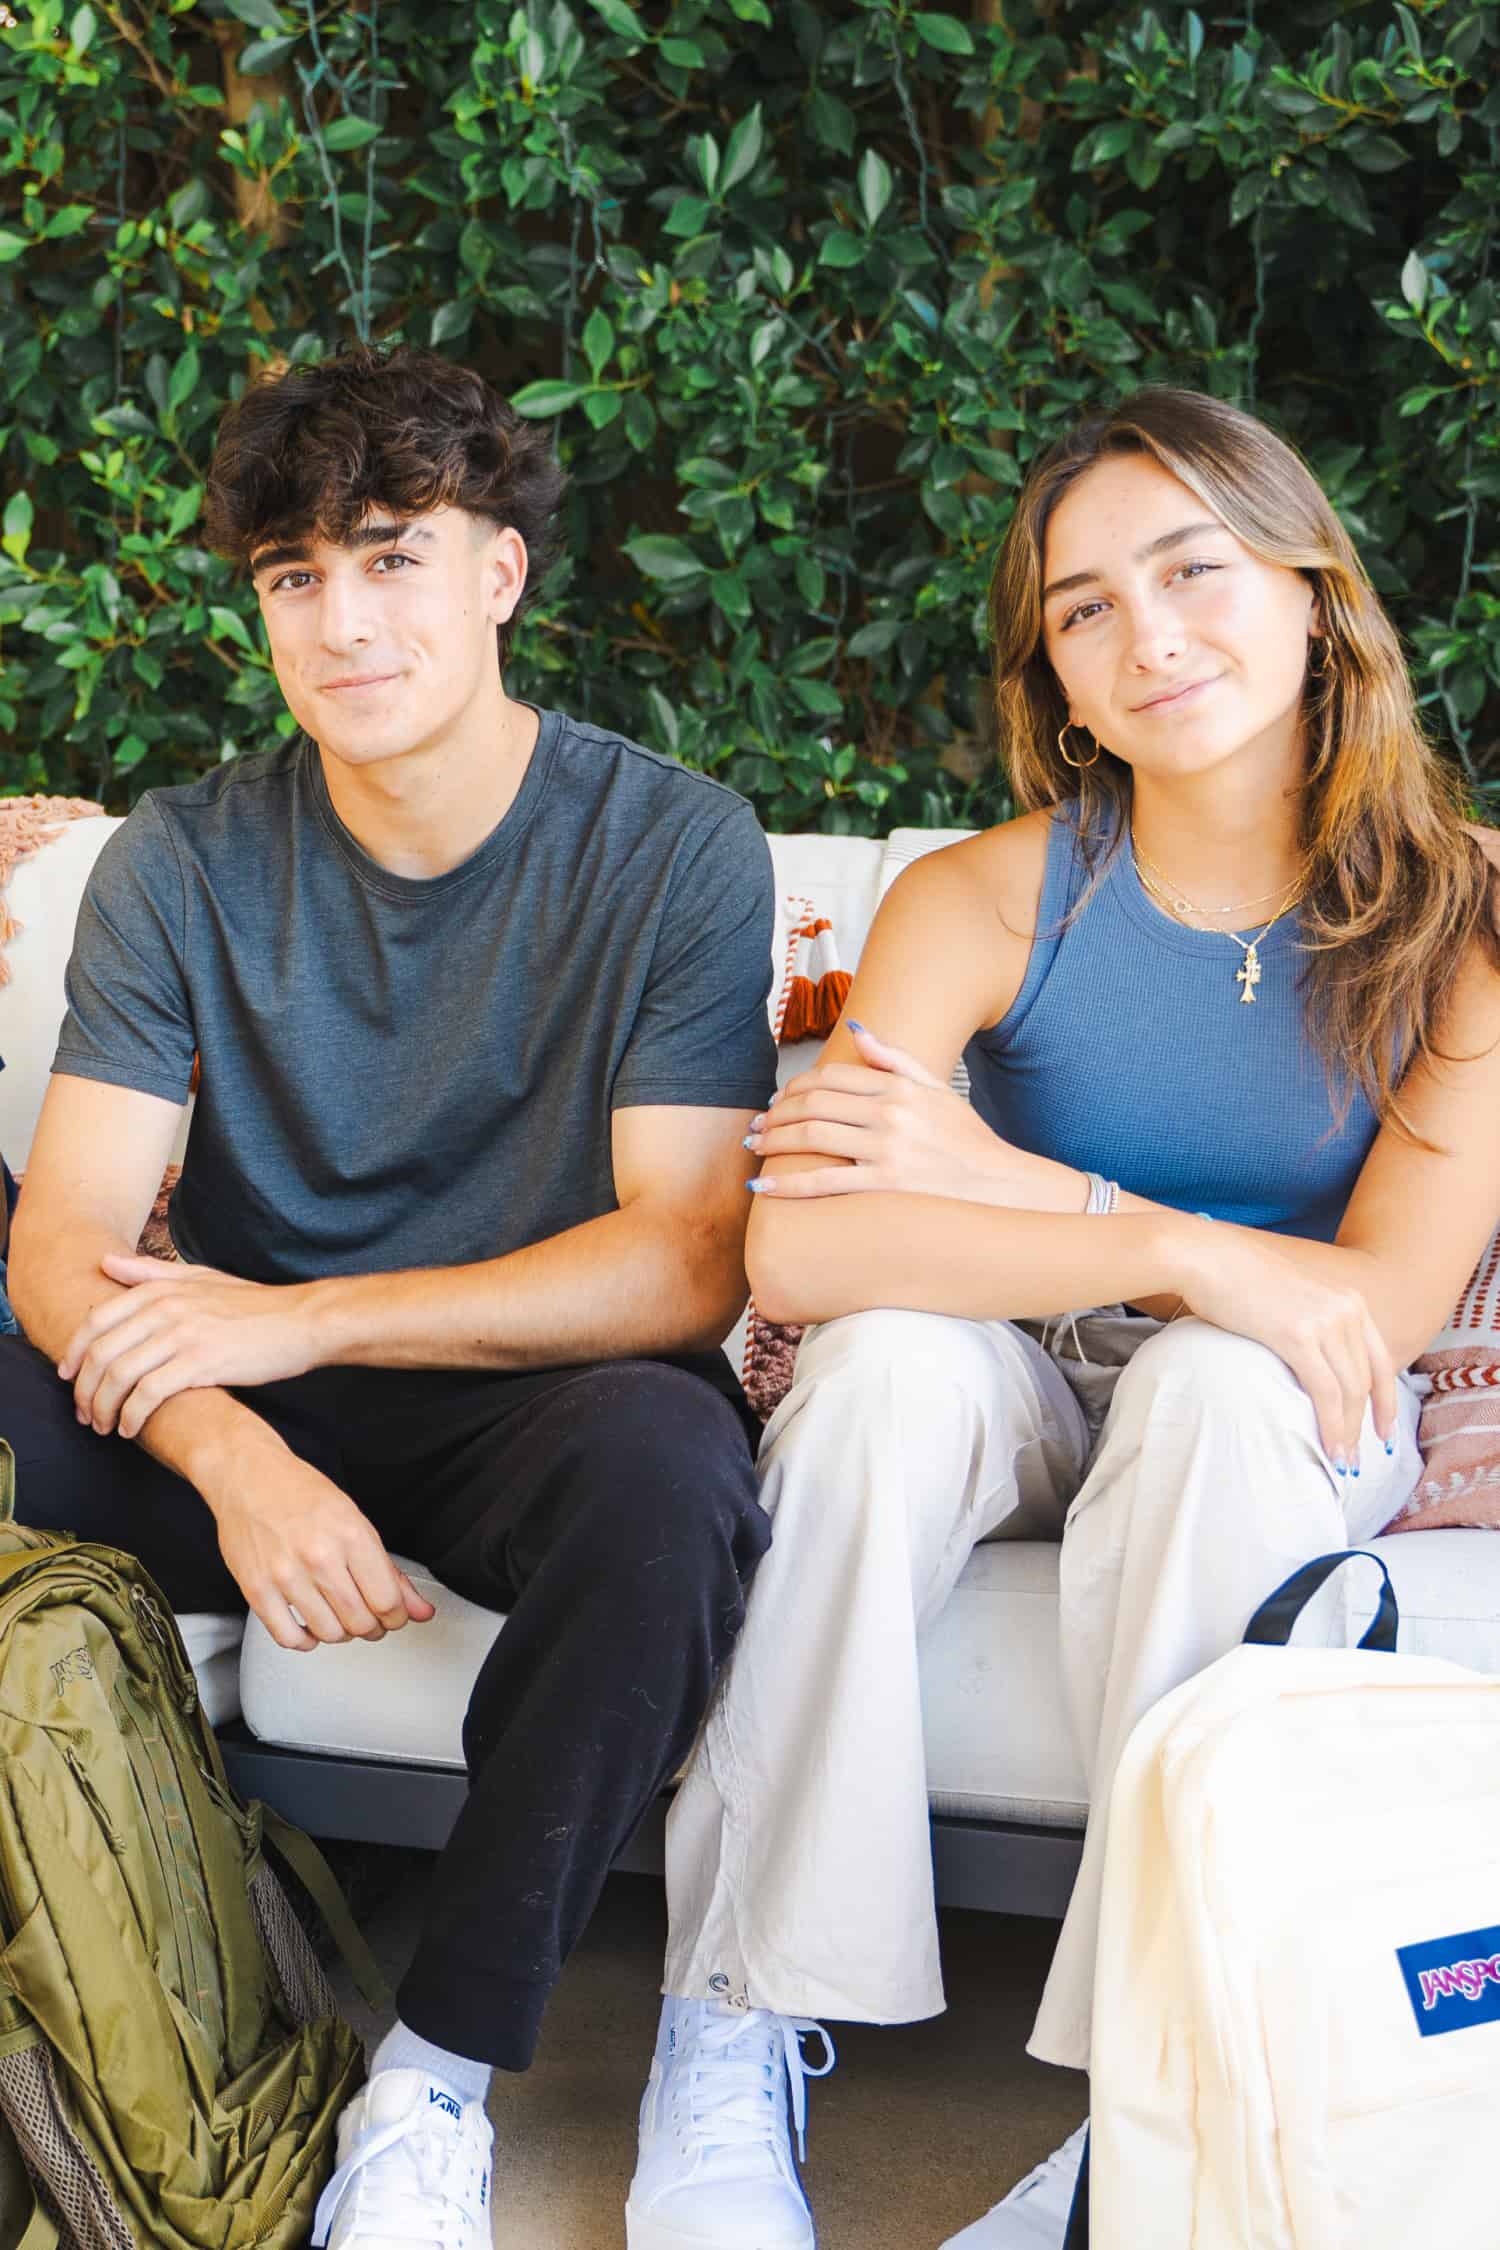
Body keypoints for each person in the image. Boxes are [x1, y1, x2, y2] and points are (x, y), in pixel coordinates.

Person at [627, 387, 1500, 2250]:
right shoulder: (987, 895)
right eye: (1085, 608)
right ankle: (730, 2016)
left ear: (1313, 591)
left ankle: (1149, 2107)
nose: (1146, 634)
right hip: (1012, 1361)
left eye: (1190, 569)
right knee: (872, 1379)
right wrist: (1178, 1247)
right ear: (1060, 682)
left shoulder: (1463, 923)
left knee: (1213, 1390)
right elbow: (801, 1258)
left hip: (1270, 1400)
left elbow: (1375, 1307)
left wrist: (1053, 1196)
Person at [3, 342, 779, 2250]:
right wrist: (236, 1449)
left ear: (498, 569)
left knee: (673, 1473)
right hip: (222, 1400)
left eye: (390, 556)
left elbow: (687, 1253)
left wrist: (303, 1322)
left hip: (518, 1388)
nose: (340, 621)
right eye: (292, 579)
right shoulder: (177, 859)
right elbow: (63, 1239)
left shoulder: (673, 844)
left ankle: (431, 2084)